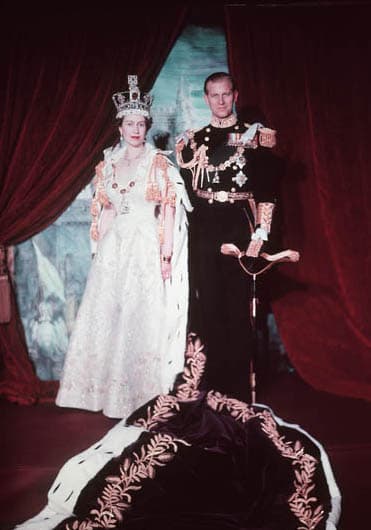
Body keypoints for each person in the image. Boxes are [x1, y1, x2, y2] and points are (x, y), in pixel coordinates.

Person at [56, 75, 191, 419]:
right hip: (115, 248)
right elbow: (106, 208)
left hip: (144, 244)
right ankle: (97, 390)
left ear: (147, 126)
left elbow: (169, 209)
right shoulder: (108, 164)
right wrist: (98, 249)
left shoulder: (157, 162)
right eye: (129, 123)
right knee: (107, 315)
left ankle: (138, 392)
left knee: (138, 314)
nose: (135, 128)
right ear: (120, 127)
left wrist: (165, 254)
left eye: (141, 123)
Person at [176, 72, 292, 402]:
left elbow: (267, 191)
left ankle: (238, 390)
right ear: (206, 98)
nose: (221, 101)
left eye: (226, 94)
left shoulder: (255, 138)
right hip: (204, 228)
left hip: (239, 225)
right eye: (214, 95)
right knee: (209, 305)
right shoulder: (194, 141)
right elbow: (186, 194)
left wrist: (262, 232)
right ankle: (213, 386)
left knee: (237, 309)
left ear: (235, 95)